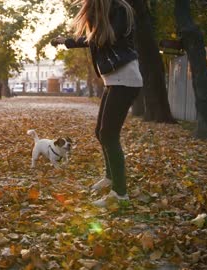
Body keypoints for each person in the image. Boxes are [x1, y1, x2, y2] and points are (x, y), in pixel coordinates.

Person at [51, 0, 142, 207]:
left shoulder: (120, 10)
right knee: (101, 133)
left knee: (109, 135)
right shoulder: (108, 10)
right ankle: (110, 178)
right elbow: (94, 38)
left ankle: (120, 195)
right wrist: (67, 40)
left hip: (125, 80)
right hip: (114, 81)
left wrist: (70, 41)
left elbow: (103, 38)